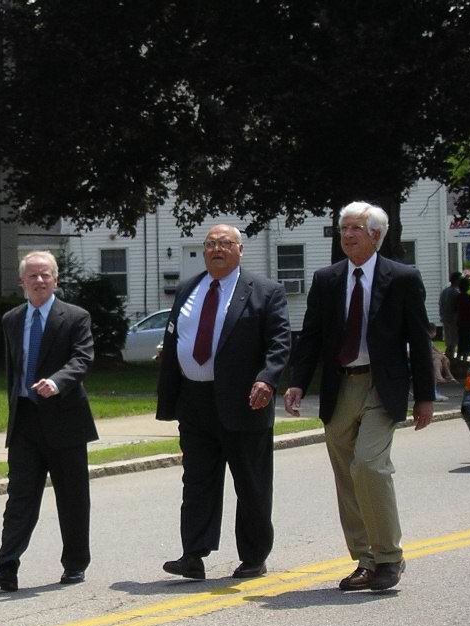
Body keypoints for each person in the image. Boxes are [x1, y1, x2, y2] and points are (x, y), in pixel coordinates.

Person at [284, 201, 434, 593]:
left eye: (356, 228)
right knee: (347, 474)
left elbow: (419, 339)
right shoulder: (327, 279)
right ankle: (365, 560)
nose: (347, 235)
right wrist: (298, 382)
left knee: (368, 464)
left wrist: (425, 396)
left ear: (376, 235)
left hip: (382, 386)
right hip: (340, 386)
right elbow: (312, 336)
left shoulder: (401, 277)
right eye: (343, 228)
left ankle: (388, 557)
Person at [156, 224, 290, 580]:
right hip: (194, 401)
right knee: (197, 481)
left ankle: (253, 556)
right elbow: (179, 335)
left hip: (245, 401)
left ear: (240, 249)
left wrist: (267, 378)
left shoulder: (265, 291)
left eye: (225, 243)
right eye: (211, 244)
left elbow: (279, 343)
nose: (217, 249)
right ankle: (192, 555)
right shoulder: (189, 288)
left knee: (251, 483)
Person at [0, 251, 98, 592]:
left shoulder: (74, 317)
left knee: (72, 498)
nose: (40, 281)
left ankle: (75, 564)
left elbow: (83, 358)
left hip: (65, 421)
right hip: (26, 422)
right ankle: (6, 568)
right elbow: (12, 372)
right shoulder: (12, 319)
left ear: (56, 280)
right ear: (22, 282)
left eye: (46, 275)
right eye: (33, 276)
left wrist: (57, 381)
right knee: (19, 498)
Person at [429, 323, 455, 401]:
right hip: (422, 360)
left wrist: (443, 356)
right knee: (437, 359)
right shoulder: (422, 340)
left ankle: (447, 375)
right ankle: (441, 376)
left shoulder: (429, 341)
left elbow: (437, 350)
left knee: (442, 359)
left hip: (430, 358)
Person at [439, 271, 461, 361]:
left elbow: (440, 304)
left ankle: (448, 356)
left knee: (448, 338)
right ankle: (450, 357)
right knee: (453, 339)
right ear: (456, 280)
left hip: (445, 317)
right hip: (453, 319)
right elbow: (457, 307)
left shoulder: (444, 291)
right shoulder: (455, 293)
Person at [456, 276, 470, 363]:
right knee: (467, 341)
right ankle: (464, 359)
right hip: (468, 322)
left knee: (461, 340)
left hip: (460, 322)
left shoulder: (457, 298)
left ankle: (459, 358)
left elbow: (455, 309)